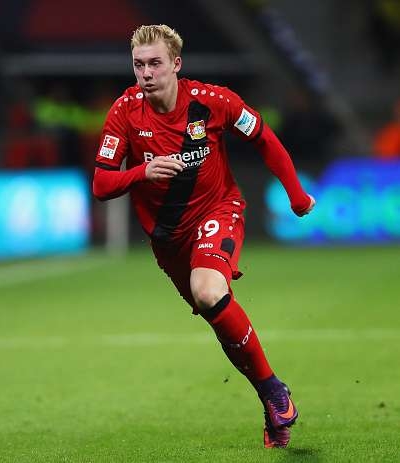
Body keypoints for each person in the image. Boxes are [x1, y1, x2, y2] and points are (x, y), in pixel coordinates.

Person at [92, 25, 315, 449]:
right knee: (216, 314)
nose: (146, 73)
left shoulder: (213, 101)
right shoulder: (124, 112)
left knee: (209, 291)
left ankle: (273, 390)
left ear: (176, 64)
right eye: (139, 65)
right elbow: (101, 184)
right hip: (168, 239)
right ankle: (270, 399)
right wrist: (142, 171)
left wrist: (296, 194)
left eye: (155, 63)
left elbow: (264, 137)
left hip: (218, 211)